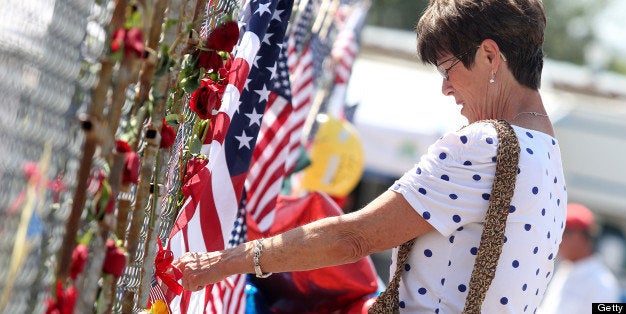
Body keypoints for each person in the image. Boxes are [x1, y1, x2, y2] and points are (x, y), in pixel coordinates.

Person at [173, 0, 568, 312]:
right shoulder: (549, 159)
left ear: (488, 56)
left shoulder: (486, 145)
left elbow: (352, 238)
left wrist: (221, 263)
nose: (446, 88)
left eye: (447, 69)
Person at [539, 203, 621, 314]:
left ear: (583, 237)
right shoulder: (565, 268)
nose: (558, 239)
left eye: (565, 232)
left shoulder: (603, 283)